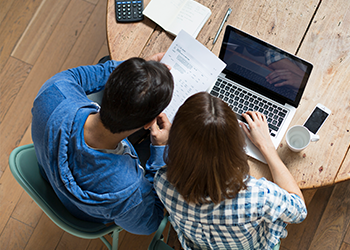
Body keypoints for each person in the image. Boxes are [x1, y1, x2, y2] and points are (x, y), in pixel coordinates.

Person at [31, 53, 174, 235]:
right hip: (93, 212)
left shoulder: (54, 92)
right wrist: (161, 151)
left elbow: (95, 72)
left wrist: (139, 76)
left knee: (105, 59)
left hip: (52, 175)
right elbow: (150, 224)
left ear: (109, 84)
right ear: (148, 124)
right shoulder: (128, 190)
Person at [154, 92, 307, 249]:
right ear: (236, 145)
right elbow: (299, 211)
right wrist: (266, 146)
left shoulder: (161, 181)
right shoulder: (257, 196)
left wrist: (161, 145)